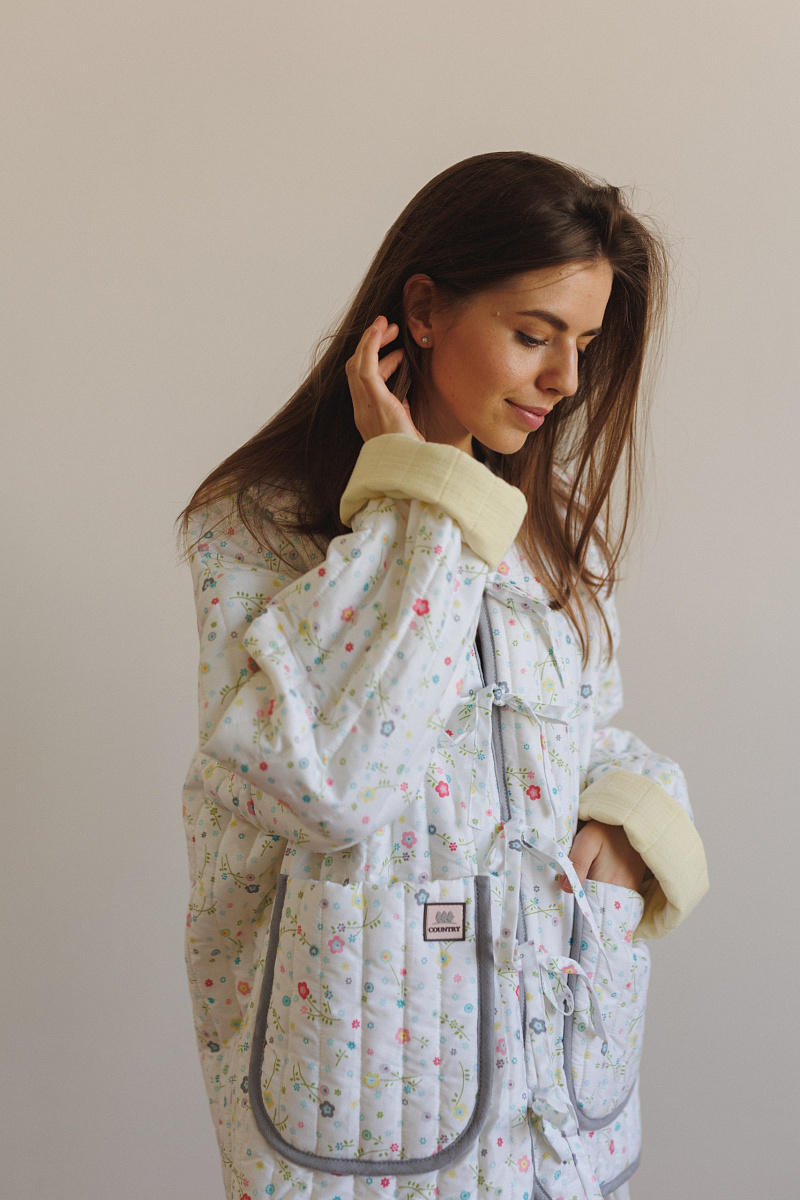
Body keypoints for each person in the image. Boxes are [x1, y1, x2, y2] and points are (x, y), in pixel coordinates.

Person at [176, 151, 709, 1200]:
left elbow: (582, 738)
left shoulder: (547, 537)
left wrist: (629, 827)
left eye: (583, 345)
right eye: (533, 335)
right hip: (364, 1123)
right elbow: (321, 783)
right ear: (421, 312)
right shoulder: (257, 529)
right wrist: (417, 501)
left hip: (555, 1117)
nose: (565, 382)